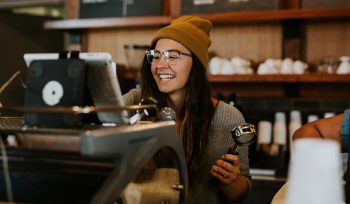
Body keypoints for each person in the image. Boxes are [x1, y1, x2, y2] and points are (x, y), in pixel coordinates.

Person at [122, 15, 251, 203]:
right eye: (156, 56)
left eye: (173, 56)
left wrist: (231, 181)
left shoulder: (228, 117)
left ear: (196, 65)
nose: (160, 65)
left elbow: (241, 192)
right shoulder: (134, 101)